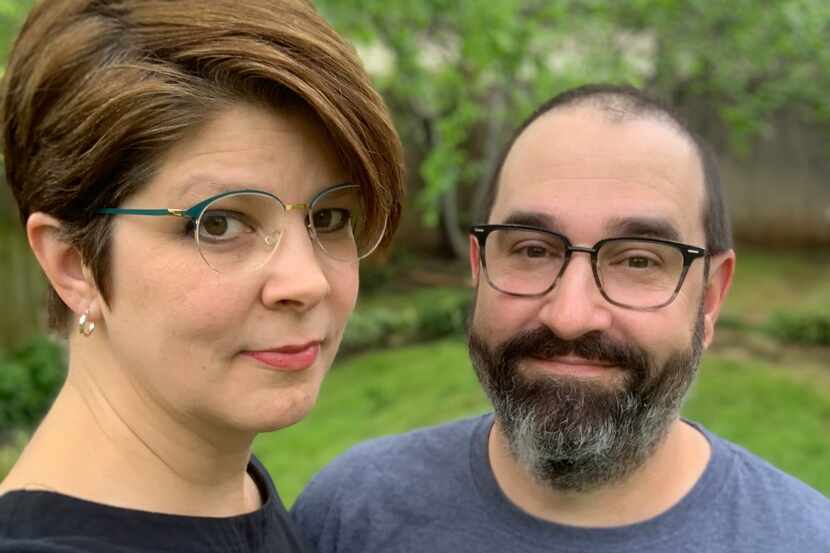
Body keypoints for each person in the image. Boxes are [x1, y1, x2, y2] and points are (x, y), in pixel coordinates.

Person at [291, 84, 830, 552]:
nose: (571, 317)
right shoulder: (349, 516)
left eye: (638, 260)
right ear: (479, 269)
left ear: (709, 298)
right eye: (530, 250)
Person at [0, 1, 403, 552]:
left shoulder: (229, 492)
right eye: (219, 223)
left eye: (329, 218)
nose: (307, 281)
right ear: (73, 265)